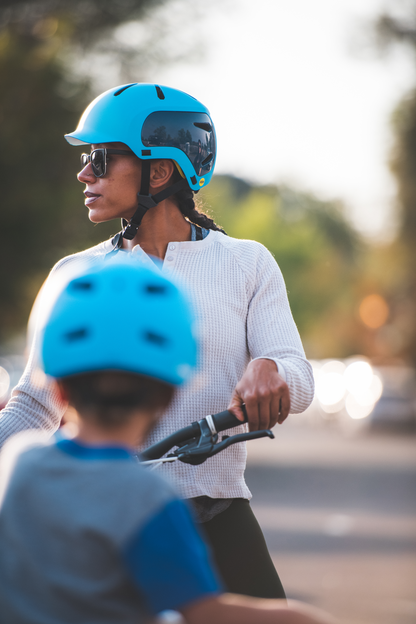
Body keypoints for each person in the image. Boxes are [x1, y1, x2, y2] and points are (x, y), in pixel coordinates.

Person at [0, 83, 315, 599]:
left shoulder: (247, 262)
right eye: (86, 159)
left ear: (161, 170)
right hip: (99, 514)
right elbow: (33, 408)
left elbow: (298, 379)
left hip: (216, 514)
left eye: (100, 159)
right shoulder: (74, 273)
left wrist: (273, 369)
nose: (84, 173)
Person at [0, 259, 334, 624]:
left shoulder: (18, 462)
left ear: (57, 389)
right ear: (168, 397)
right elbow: (203, 611)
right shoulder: (149, 498)